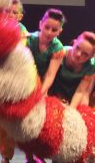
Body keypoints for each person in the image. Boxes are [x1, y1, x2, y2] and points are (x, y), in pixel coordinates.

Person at [0, 0, 28, 163]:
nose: (10, 14)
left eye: (14, 12)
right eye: (7, 11)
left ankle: (6, 156)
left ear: (20, 16)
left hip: (14, 80)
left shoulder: (22, 31)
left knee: (10, 120)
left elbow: (19, 53)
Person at [25, 8, 65, 163]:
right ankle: (28, 157)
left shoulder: (58, 48)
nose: (49, 32)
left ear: (60, 31)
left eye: (54, 29)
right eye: (47, 27)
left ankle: (38, 155)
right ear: (40, 24)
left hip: (42, 83)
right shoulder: (28, 40)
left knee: (40, 122)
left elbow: (50, 74)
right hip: (25, 79)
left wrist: (41, 92)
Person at [49, 31, 95, 107]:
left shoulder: (91, 66)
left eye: (85, 54)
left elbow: (80, 91)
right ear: (74, 42)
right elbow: (49, 76)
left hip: (74, 95)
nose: (78, 54)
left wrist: (71, 110)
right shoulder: (61, 52)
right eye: (77, 48)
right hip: (54, 90)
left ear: (92, 56)